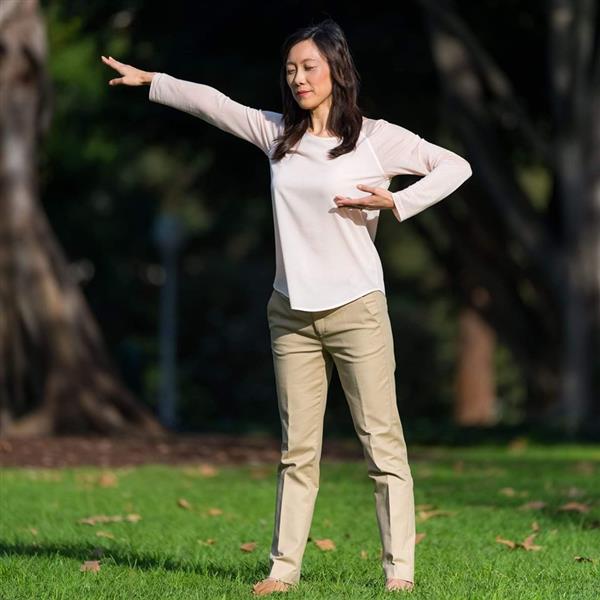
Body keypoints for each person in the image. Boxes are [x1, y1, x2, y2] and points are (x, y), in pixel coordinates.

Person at [102, 17, 471, 596]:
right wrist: (154, 81)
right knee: (297, 450)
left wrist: (397, 202)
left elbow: (456, 165)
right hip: (290, 313)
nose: (298, 78)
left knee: (382, 444)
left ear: (336, 71)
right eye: (291, 69)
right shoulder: (278, 134)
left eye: (309, 67)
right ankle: (283, 570)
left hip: (357, 310)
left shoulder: (376, 139)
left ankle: (399, 571)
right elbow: (213, 105)